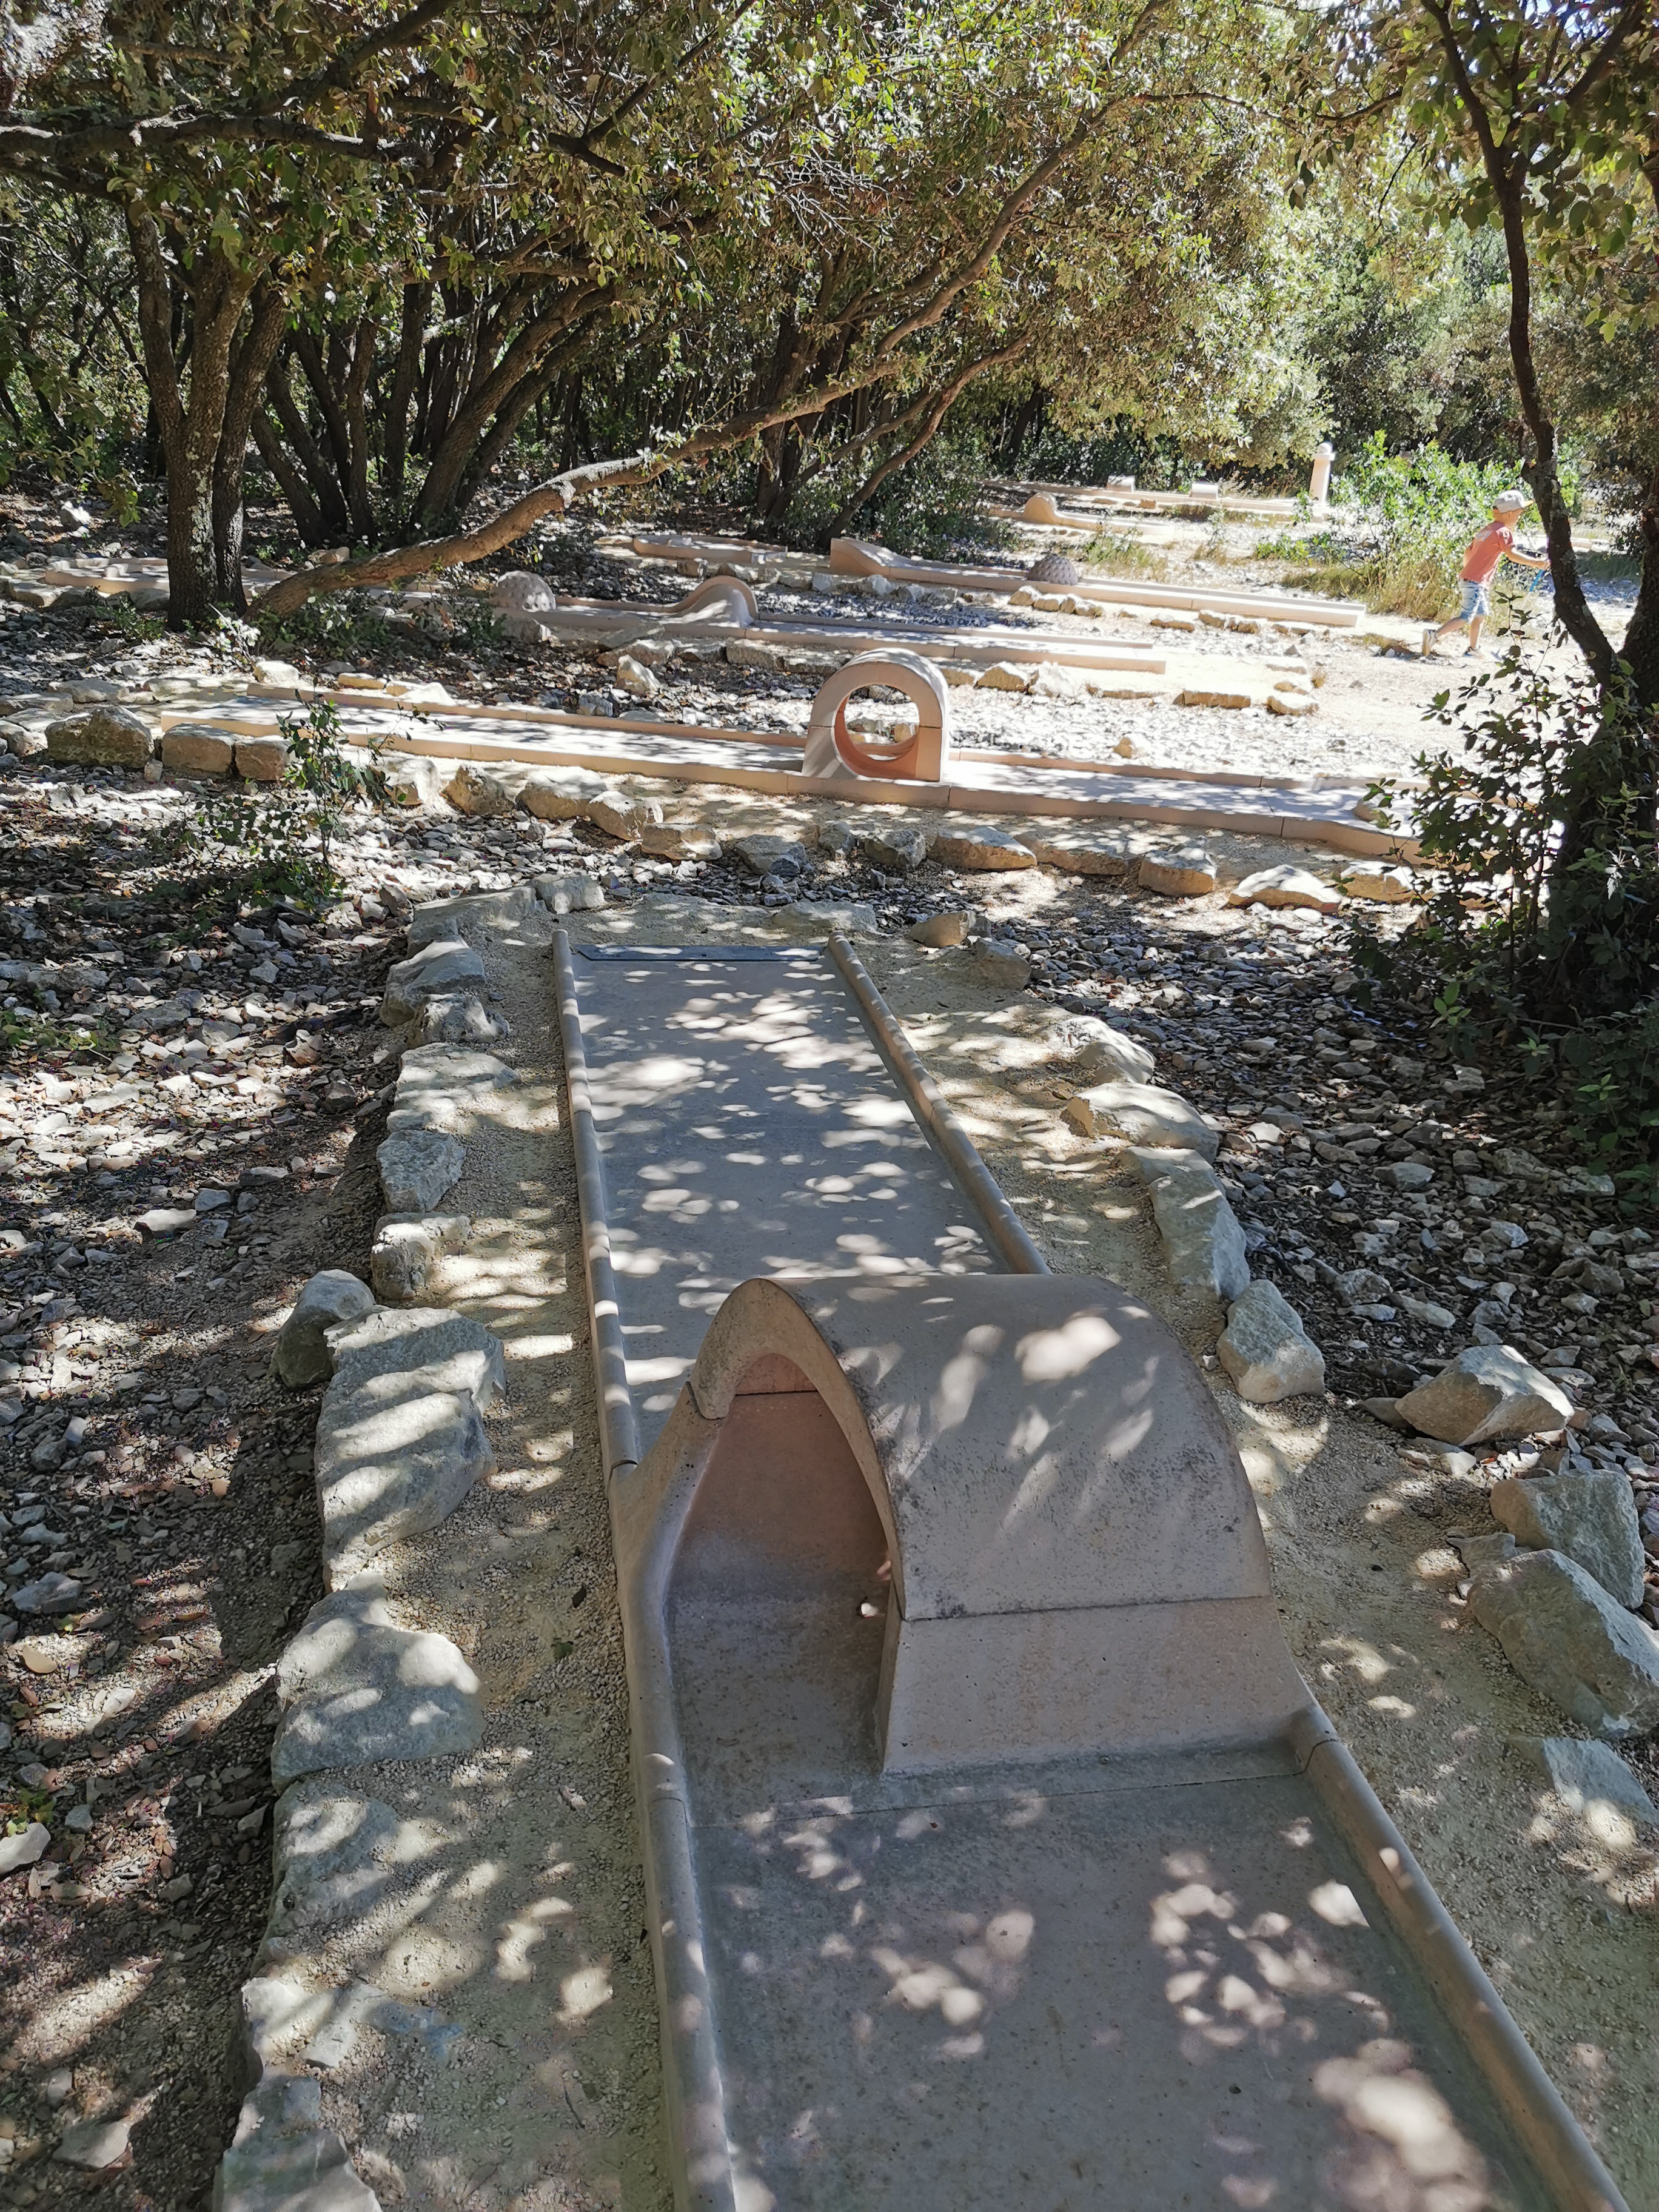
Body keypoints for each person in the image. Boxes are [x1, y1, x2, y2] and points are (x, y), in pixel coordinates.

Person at [1425, 489, 1549, 659]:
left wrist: (1471, 570)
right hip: (1476, 581)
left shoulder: (1486, 530)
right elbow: (1512, 555)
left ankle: (1473, 649)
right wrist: (1537, 563)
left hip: (1470, 579)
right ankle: (1434, 635)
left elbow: (1468, 552)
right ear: (1510, 513)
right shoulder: (1504, 532)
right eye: (1519, 513)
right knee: (1466, 617)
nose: (1519, 517)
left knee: (1481, 614)